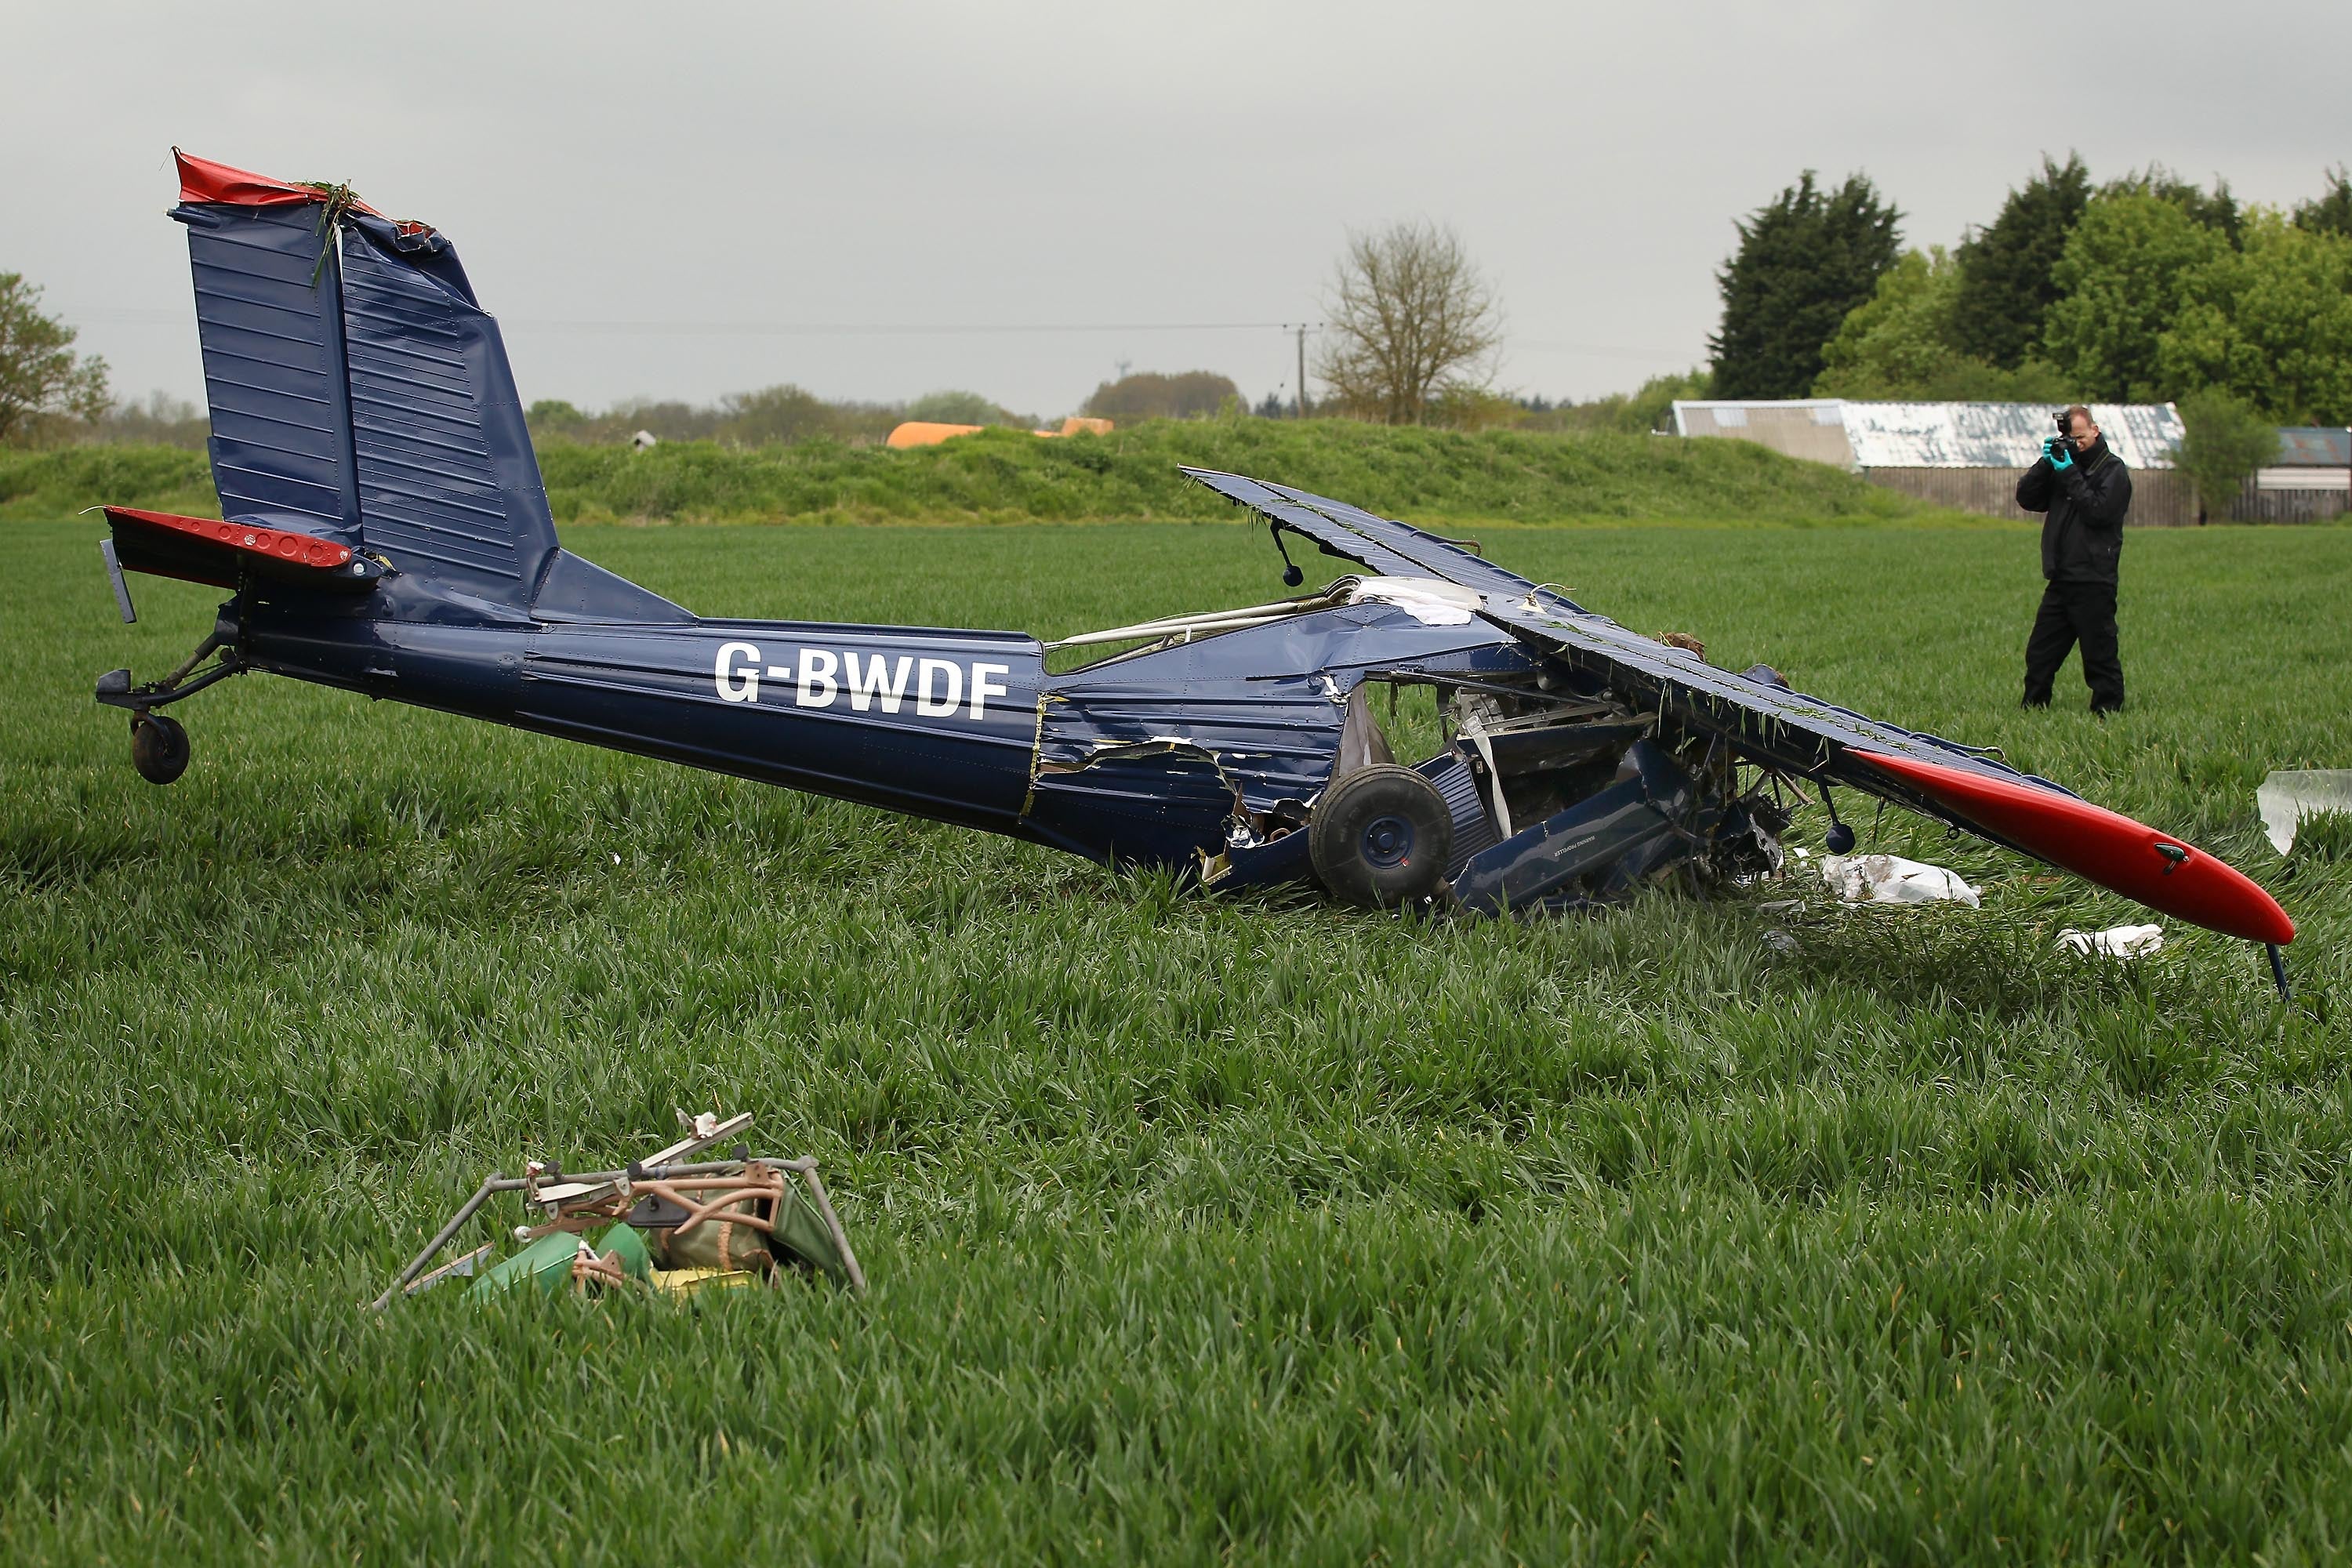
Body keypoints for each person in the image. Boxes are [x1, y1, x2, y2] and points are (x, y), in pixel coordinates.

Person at [2016, 404, 2131, 713]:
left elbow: (2098, 511)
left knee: (2099, 652)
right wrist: (2046, 463)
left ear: (2095, 430)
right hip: (2061, 576)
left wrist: (2069, 472)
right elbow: (2027, 498)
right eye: (2070, 438)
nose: (2076, 444)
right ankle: (2033, 708)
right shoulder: (2061, 465)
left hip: (2094, 577)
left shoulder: (2113, 470)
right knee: (2040, 652)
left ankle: (2108, 711)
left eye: (2080, 437)